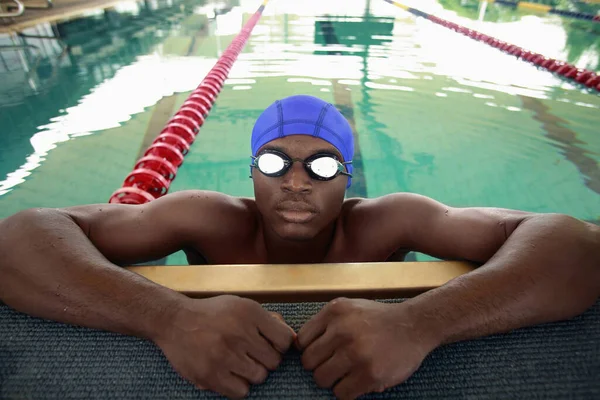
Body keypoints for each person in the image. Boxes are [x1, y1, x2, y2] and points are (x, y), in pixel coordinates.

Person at [0, 95, 598, 400]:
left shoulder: (390, 222)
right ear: (251, 171)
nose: (295, 181)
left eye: (321, 165)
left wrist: (422, 323)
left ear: (348, 177)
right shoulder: (208, 219)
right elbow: (22, 234)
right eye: (274, 161)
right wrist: (165, 317)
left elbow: (574, 244)